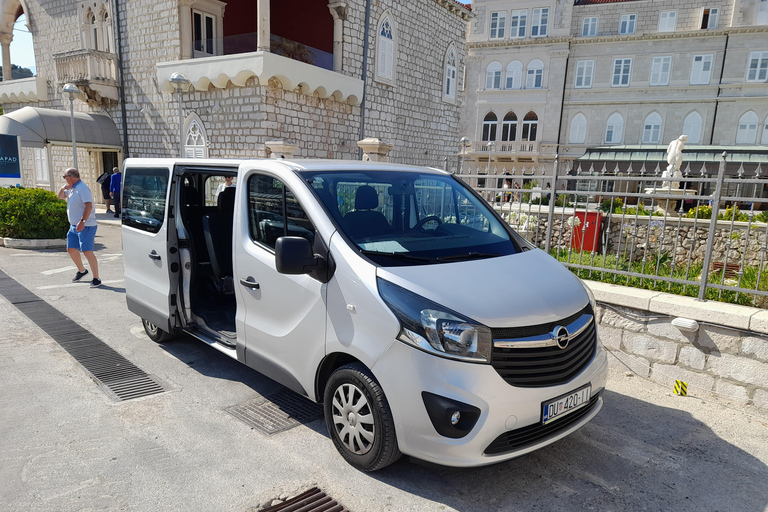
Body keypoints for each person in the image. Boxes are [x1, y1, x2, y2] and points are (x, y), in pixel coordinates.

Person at [57, 168, 101, 288]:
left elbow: (89, 205)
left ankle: (96, 278)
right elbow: (60, 197)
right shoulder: (71, 189)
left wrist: (83, 221)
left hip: (86, 226)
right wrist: (62, 188)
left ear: (69, 177)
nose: (65, 179)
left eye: (64, 177)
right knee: (71, 249)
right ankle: (82, 271)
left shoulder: (82, 188)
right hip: (73, 226)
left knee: (87, 251)